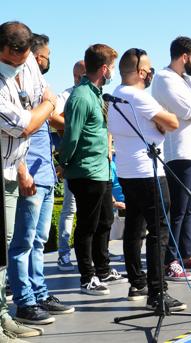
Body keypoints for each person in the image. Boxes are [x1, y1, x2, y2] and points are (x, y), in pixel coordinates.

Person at [108, 48, 187, 310]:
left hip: (128, 171)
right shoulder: (138, 96)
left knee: (135, 226)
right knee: (159, 230)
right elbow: (172, 123)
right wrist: (160, 121)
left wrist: (158, 123)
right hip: (148, 171)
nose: (152, 72)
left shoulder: (116, 94)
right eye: (150, 69)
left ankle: (137, 283)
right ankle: (157, 292)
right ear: (142, 72)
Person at [9, 31, 74, 327]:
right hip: (30, 173)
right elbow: (19, 132)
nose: (48, 61)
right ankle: (24, 301)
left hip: (46, 173)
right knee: (23, 242)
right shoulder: (16, 84)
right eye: (47, 56)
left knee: (38, 240)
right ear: (36, 56)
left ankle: (39, 293)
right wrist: (23, 170)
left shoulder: (38, 83)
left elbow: (53, 116)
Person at [0, 21, 59, 341]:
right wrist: (47, 105)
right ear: (5, 51)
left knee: (14, 244)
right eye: (15, 59)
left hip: (13, 167)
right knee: (13, 245)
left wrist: (44, 106)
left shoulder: (25, 70)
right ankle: (13, 308)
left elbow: (39, 105)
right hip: (8, 168)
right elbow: (24, 125)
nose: (21, 66)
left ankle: (2, 315)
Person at [59, 43, 127, 295]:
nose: (112, 73)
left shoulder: (97, 94)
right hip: (86, 170)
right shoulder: (81, 96)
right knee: (87, 225)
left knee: (105, 220)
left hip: (102, 169)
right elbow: (71, 136)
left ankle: (103, 268)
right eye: (111, 68)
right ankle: (87, 277)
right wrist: (64, 163)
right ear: (104, 68)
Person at [151, 36, 191, 281]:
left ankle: (187, 255)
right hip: (177, 152)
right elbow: (188, 111)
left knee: (189, 208)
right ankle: (170, 261)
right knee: (177, 209)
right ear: (184, 56)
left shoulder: (189, 80)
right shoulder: (164, 78)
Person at [56, 60, 86, 271]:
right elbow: (53, 119)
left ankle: (92, 253)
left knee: (93, 211)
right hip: (73, 161)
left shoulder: (97, 94)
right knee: (70, 209)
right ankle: (64, 253)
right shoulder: (65, 96)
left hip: (93, 163)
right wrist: (73, 128)